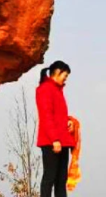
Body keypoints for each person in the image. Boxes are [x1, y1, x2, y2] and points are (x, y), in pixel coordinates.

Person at [36, 60, 75, 197]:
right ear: (57, 73)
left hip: (62, 140)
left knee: (61, 179)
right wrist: (55, 139)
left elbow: (58, 115)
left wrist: (68, 121)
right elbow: (46, 116)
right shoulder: (45, 89)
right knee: (50, 177)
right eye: (65, 76)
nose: (66, 79)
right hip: (51, 141)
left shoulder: (58, 90)